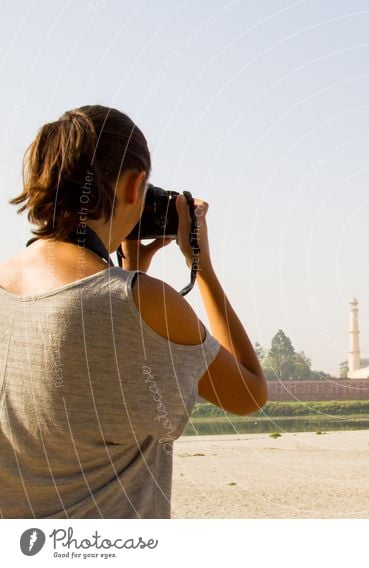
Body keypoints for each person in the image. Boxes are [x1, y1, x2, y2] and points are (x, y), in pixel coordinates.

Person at [0, 105, 268, 518]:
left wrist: (128, 276)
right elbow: (249, 393)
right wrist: (203, 268)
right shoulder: (147, 304)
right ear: (134, 186)